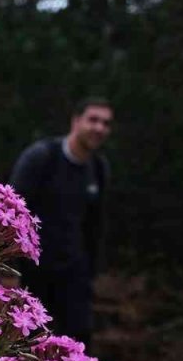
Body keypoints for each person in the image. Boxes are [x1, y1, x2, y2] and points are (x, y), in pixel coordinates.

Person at [9, 98, 112, 347]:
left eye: (106, 123)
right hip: (32, 272)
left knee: (78, 341)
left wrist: (91, 271)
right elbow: (12, 209)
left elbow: (94, 225)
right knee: (24, 346)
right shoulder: (42, 157)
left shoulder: (97, 168)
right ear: (76, 121)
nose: (99, 128)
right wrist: (8, 269)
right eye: (93, 120)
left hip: (73, 273)